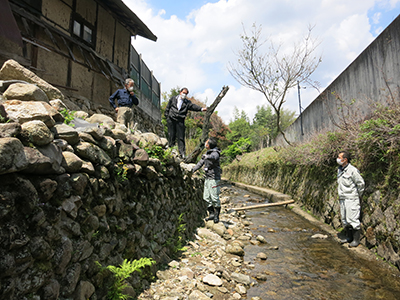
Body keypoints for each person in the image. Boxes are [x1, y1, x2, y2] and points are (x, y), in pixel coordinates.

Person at [164, 87, 207, 158]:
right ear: (180, 92)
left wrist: (202, 109)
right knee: (171, 135)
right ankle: (171, 150)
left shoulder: (187, 103)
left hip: (180, 120)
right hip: (171, 119)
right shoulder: (173, 99)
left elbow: (193, 107)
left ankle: (182, 153)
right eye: (183, 93)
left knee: (181, 137)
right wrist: (167, 117)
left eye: (186, 94)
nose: (184, 95)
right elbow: (167, 108)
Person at [337, 150, 365, 247]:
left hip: (351, 198)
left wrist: (357, 195)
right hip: (343, 198)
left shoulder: (352, 170)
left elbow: (360, 184)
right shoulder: (340, 170)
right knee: (344, 219)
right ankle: (349, 238)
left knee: (353, 219)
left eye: (339, 158)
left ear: (345, 159)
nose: (338, 159)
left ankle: (356, 240)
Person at [192, 138, 222, 223]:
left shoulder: (216, 152)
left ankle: (217, 216)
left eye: (206, 142)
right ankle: (211, 214)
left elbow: (214, 157)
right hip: (207, 177)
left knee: (214, 198)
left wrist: (207, 157)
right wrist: (193, 169)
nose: (205, 143)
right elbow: (200, 163)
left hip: (214, 178)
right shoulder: (207, 153)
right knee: (206, 197)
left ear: (209, 145)